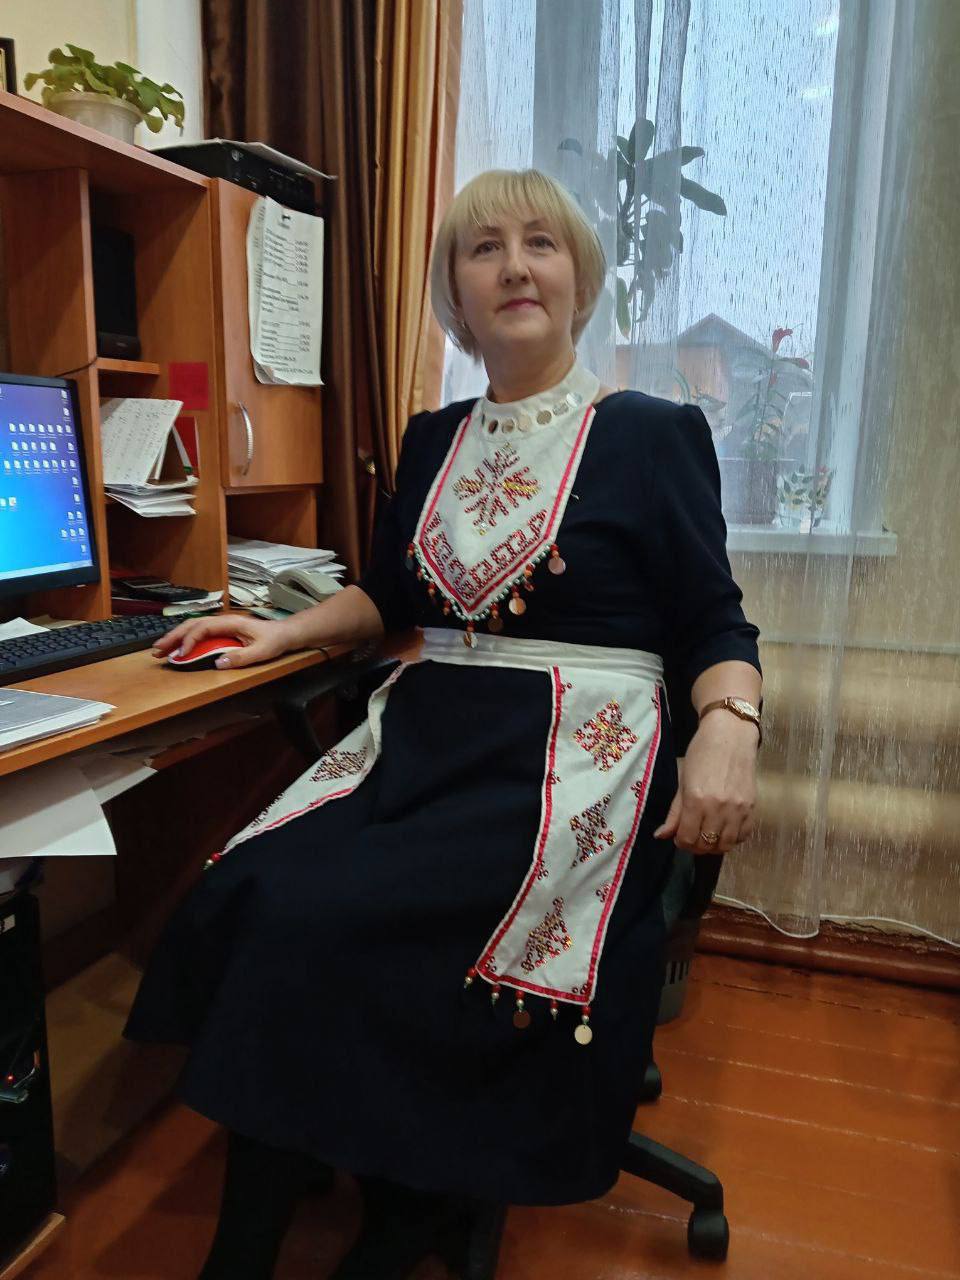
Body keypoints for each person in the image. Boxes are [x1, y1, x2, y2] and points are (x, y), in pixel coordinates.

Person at [123, 168, 763, 1279]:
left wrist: (731, 723)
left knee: (368, 921)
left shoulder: (654, 433)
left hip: (572, 764)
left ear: (579, 279)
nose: (515, 266)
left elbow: (715, 618)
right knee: (267, 895)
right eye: (483, 248)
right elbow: (388, 597)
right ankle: (258, 1241)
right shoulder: (432, 439)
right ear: (455, 297)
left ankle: (411, 1200)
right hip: (431, 741)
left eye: (540, 244)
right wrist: (278, 632)